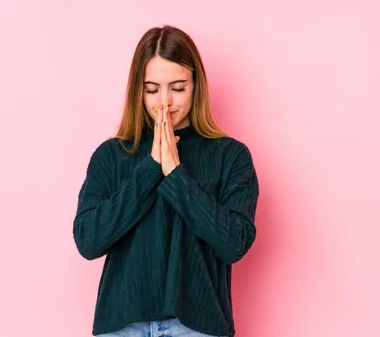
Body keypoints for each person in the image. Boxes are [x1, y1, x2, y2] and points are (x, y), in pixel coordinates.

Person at [73, 25, 259, 337]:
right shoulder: (111, 155)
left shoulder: (231, 155)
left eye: (177, 87)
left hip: (198, 326)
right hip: (122, 326)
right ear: (138, 90)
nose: (165, 101)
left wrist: (175, 174)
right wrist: (151, 168)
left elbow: (234, 245)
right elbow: (88, 241)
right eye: (151, 89)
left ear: (196, 85)